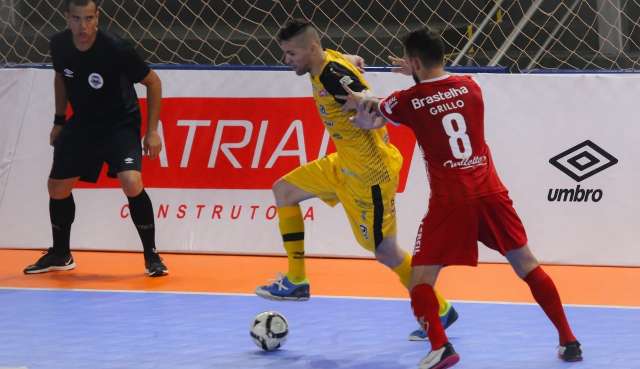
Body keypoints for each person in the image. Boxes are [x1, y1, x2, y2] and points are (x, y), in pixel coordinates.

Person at [342, 27, 582, 368]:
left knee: (421, 279)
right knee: (527, 265)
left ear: (412, 62)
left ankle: (441, 346)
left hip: (450, 201)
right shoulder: (472, 86)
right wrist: (415, 73)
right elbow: (433, 94)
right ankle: (569, 340)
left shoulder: (405, 101)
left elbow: (378, 111)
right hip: (491, 193)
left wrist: (360, 104)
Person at [254, 19, 457, 340]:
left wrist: (369, 114)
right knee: (284, 191)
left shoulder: (334, 75)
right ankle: (296, 280)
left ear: (311, 48)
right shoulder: (326, 62)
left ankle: (441, 309)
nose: (286, 60)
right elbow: (342, 62)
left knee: (385, 251)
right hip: (344, 163)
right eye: (284, 53)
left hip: (369, 174)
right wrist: (352, 60)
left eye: (291, 53)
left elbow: (370, 104)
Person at [23, 0, 168, 277]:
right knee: (57, 188)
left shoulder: (116, 47)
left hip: (120, 123)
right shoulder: (60, 44)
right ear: (67, 18)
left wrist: (151, 132)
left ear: (97, 18)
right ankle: (60, 254)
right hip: (83, 124)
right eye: (77, 19)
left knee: (131, 181)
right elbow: (60, 78)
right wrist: (59, 120)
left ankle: (152, 256)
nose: (83, 26)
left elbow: (153, 82)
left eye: (89, 18)